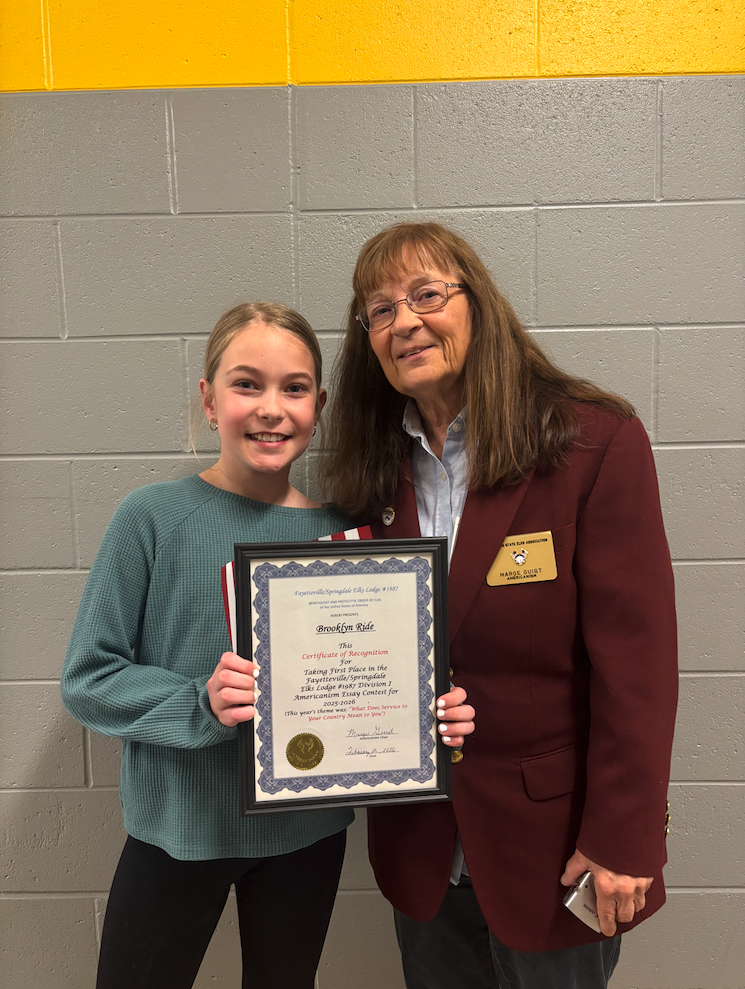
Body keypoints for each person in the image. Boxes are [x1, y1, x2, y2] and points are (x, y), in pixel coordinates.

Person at [61, 300, 474, 989]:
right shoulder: (151, 518)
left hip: (304, 836)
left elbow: (377, 678)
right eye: (246, 383)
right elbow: (88, 678)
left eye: (293, 387)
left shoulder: (347, 536)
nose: (270, 408)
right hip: (178, 831)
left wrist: (428, 716)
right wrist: (199, 701)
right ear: (208, 396)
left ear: (319, 402)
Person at [319, 222, 678, 989]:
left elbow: (637, 672)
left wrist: (624, 839)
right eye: (378, 310)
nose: (403, 321)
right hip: (420, 851)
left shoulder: (589, 442)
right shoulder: (369, 465)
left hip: (554, 851)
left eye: (426, 294)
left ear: (475, 303)